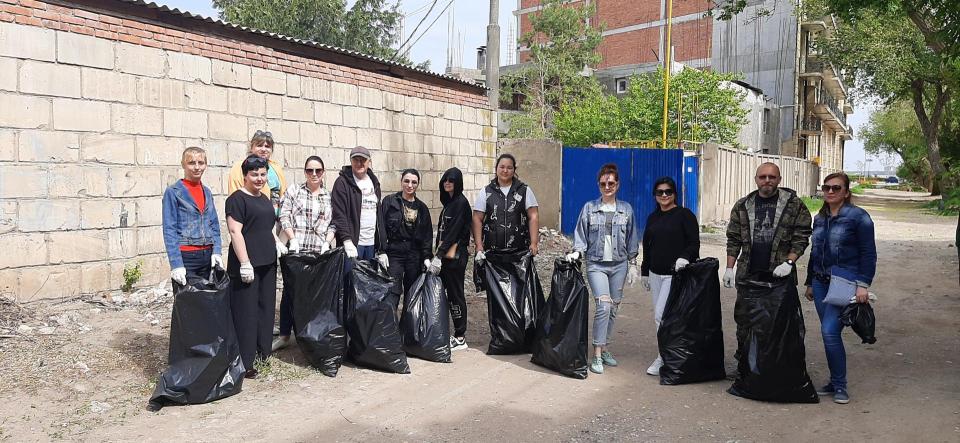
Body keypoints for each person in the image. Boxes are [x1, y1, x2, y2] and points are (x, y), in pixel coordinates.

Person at [804, 172, 877, 404]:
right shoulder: (820, 218)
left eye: (836, 188)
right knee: (829, 334)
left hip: (844, 284)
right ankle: (834, 381)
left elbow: (868, 253)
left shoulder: (859, 218)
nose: (830, 192)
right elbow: (815, 252)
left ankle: (840, 385)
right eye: (826, 188)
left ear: (846, 192)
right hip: (820, 283)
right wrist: (809, 282)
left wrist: (862, 285)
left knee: (829, 331)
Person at [567, 163, 640, 375]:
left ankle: (605, 347)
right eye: (603, 184)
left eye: (611, 183)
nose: (607, 187)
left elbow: (632, 237)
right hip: (596, 264)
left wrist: (633, 264)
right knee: (604, 306)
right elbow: (580, 234)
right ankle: (597, 353)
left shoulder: (626, 209)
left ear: (618, 185)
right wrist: (577, 252)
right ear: (598, 185)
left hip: (619, 265)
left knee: (614, 308)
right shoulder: (589, 208)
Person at [225, 155, 284, 379]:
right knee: (246, 312)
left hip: (267, 262)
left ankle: (263, 353)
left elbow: (266, 227)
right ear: (245, 176)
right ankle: (245, 361)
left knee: (265, 309)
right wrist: (244, 262)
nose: (259, 179)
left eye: (262, 174)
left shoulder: (264, 198)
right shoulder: (237, 200)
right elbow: (235, 231)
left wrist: (277, 242)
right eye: (254, 174)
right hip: (247, 265)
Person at [272, 156, 336, 351]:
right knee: (290, 293)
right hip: (296, 251)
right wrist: (292, 238)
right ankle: (284, 335)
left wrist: (327, 242)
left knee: (313, 294)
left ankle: (308, 336)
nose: (314, 174)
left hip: (318, 252)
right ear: (305, 172)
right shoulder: (294, 190)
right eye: (310, 170)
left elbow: (334, 223)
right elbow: (284, 215)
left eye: (318, 170)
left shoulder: (328, 196)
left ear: (323, 172)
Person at [639, 176, 700, 376]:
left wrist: (685, 257)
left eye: (668, 191)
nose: (664, 195)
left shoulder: (685, 215)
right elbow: (648, 246)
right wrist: (645, 271)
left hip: (675, 275)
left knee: (661, 316)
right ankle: (667, 354)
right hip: (655, 274)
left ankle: (664, 357)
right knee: (661, 317)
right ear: (655, 195)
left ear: (674, 193)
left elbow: (694, 243)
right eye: (660, 192)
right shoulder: (652, 218)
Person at [161, 147, 223, 293]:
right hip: (186, 257)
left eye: (201, 163)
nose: (197, 167)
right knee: (187, 303)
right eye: (191, 163)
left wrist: (217, 251)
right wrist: (176, 264)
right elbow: (169, 229)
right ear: (183, 164)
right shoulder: (173, 192)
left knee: (208, 301)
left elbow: (214, 224)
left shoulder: (207, 191)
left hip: (207, 255)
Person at [330, 146, 383, 298]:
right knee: (349, 287)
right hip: (353, 244)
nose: (359, 163)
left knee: (366, 288)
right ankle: (348, 314)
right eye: (356, 160)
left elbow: (378, 214)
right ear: (351, 161)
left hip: (370, 244)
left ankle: (362, 315)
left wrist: (382, 248)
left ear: (369, 162)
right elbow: (339, 213)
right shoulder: (342, 183)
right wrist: (346, 240)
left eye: (363, 160)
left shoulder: (374, 182)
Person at [378, 169, 434, 310]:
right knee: (392, 292)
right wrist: (381, 250)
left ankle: (408, 323)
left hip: (413, 254)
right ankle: (391, 323)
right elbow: (380, 227)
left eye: (414, 182)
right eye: (406, 181)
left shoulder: (422, 208)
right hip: (394, 253)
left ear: (418, 184)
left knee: (412, 293)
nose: (410, 185)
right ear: (401, 181)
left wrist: (426, 256)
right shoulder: (390, 202)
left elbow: (427, 235)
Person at [472, 153, 540, 261]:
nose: (505, 170)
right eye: (502, 167)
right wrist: (479, 245)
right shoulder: (486, 191)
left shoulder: (524, 190)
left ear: (514, 170)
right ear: (496, 168)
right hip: (492, 251)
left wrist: (534, 243)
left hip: (519, 251)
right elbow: (477, 218)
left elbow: (533, 216)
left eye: (509, 168)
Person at [434, 167, 473, 351]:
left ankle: (460, 337)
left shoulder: (460, 203)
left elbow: (453, 233)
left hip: (455, 258)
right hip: (446, 257)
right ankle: (446, 331)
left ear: (458, 183)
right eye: (445, 180)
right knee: (445, 294)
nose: (447, 183)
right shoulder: (449, 203)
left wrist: (438, 255)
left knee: (455, 294)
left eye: (451, 180)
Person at [228, 130, 288, 215]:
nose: (263, 149)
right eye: (259, 145)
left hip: (277, 216)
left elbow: (284, 194)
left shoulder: (276, 168)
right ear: (251, 147)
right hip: (253, 214)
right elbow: (235, 197)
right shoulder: (239, 167)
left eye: (267, 146)